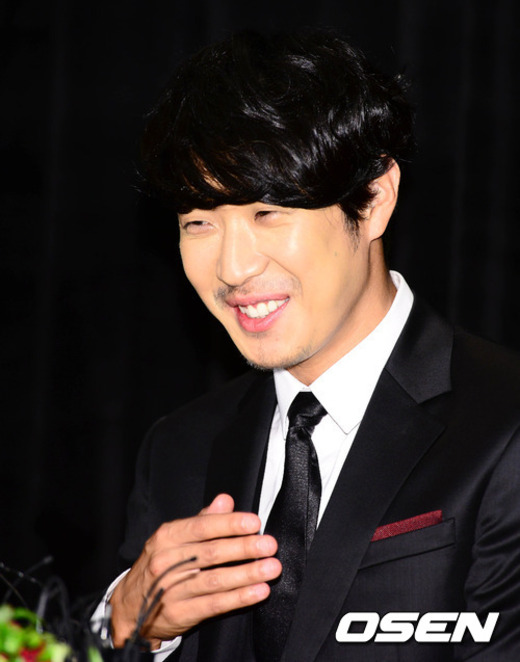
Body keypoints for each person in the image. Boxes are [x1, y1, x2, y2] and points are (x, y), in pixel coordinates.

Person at [105, 29, 520, 661]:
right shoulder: (179, 448)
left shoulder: (503, 424)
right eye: (199, 223)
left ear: (374, 199)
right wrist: (129, 625)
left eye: (267, 213)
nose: (233, 268)